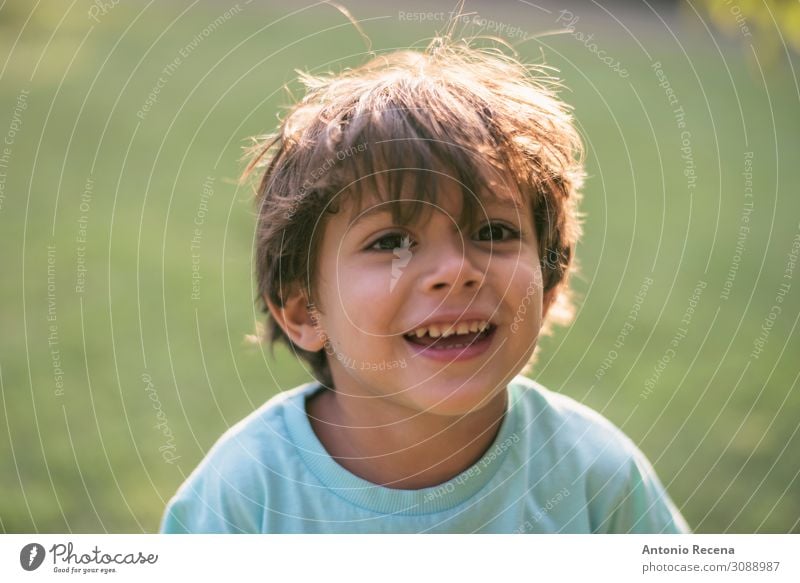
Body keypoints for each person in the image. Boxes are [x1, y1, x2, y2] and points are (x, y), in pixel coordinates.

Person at [160, 36, 690, 534]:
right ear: (305, 313)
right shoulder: (243, 497)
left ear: (549, 285)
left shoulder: (597, 479)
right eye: (392, 241)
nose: (457, 270)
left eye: (495, 232)